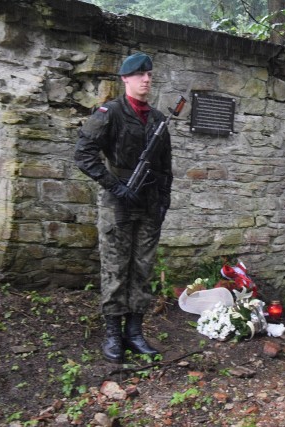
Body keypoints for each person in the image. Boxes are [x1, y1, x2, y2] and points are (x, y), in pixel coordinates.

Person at [74, 52, 172, 363]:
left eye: (149, 74)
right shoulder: (109, 112)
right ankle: (114, 335)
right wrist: (115, 186)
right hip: (117, 204)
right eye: (140, 74)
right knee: (116, 269)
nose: (146, 79)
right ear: (125, 79)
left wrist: (163, 203)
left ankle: (135, 332)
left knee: (141, 269)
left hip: (148, 205)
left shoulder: (157, 119)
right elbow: (84, 154)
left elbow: (166, 167)